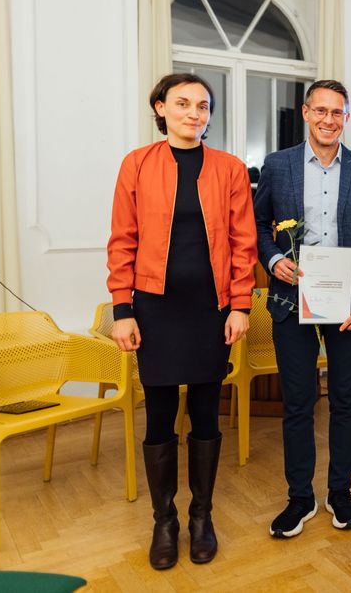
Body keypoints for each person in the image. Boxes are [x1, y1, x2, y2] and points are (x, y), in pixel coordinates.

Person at [107, 73, 257, 570]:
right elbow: (122, 240)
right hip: (155, 309)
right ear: (160, 108)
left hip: (211, 310)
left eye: (203, 105)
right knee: (160, 415)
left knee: (208, 414)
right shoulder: (137, 164)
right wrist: (122, 309)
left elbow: (242, 243)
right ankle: (164, 520)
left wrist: (240, 305)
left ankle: (201, 517)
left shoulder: (230, 168)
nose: (195, 113)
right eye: (183, 103)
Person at [253, 79, 351, 536]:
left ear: (346, 118)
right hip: (292, 300)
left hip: (350, 305)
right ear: (307, 112)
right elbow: (256, 225)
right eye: (321, 111)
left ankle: (340, 492)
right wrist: (273, 259)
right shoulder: (278, 165)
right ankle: (299, 497)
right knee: (298, 402)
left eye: (338, 112)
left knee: (347, 402)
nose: (330, 119)